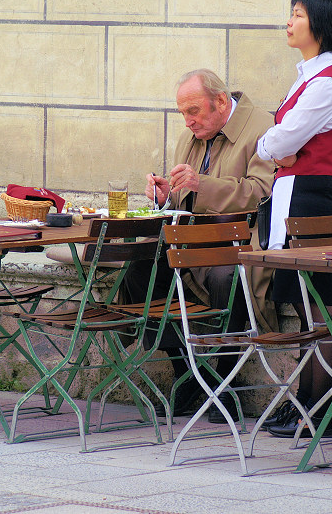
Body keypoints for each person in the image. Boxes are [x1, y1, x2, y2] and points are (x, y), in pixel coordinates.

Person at [120, 68, 274, 422]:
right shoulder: (191, 136)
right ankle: (189, 374)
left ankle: (225, 378)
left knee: (227, 276)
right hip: (190, 240)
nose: (188, 122)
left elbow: (260, 193)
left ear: (221, 102)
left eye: (194, 111)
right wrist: (164, 196)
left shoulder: (263, 129)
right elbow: (182, 198)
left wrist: (201, 185)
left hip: (239, 241)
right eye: (183, 113)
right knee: (141, 267)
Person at [255, 0, 332, 438]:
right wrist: (281, 150)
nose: (289, 21)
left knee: (317, 307)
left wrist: (280, 149)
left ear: (319, 24)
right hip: (299, 194)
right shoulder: (310, 78)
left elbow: (275, 142)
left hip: (307, 198)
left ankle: (319, 411)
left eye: (297, 14)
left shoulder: (324, 84)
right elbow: (279, 144)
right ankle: (304, 404)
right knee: (309, 307)